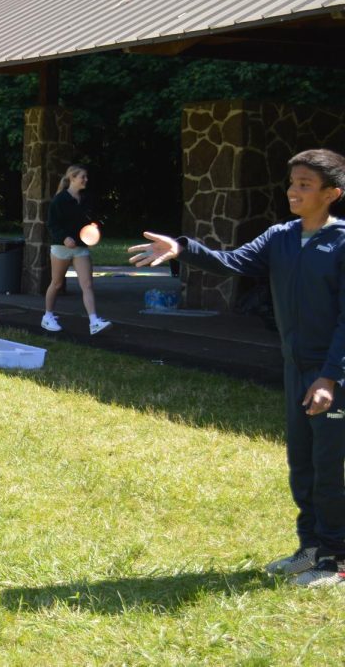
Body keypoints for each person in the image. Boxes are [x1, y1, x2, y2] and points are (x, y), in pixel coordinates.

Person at [130, 148, 345, 589]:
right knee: (301, 464)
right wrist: (182, 249)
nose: (293, 191)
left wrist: (331, 377)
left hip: (330, 374)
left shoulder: (341, 243)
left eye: (305, 184)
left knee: (328, 467)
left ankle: (335, 560)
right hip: (294, 368)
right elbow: (233, 261)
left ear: (332, 193)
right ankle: (310, 552)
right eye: (292, 182)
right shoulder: (281, 236)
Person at [41, 164, 111, 335]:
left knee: (87, 284)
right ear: (72, 178)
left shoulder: (86, 199)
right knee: (56, 284)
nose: (86, 180)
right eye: (83, 177)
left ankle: (94, 321)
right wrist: (64, 238)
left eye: (86, 177)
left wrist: (94, 226)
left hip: (81, 248)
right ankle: (47, 316)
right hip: (61, 248)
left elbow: (92, 220)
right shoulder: (59, 200)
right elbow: (52, 224)